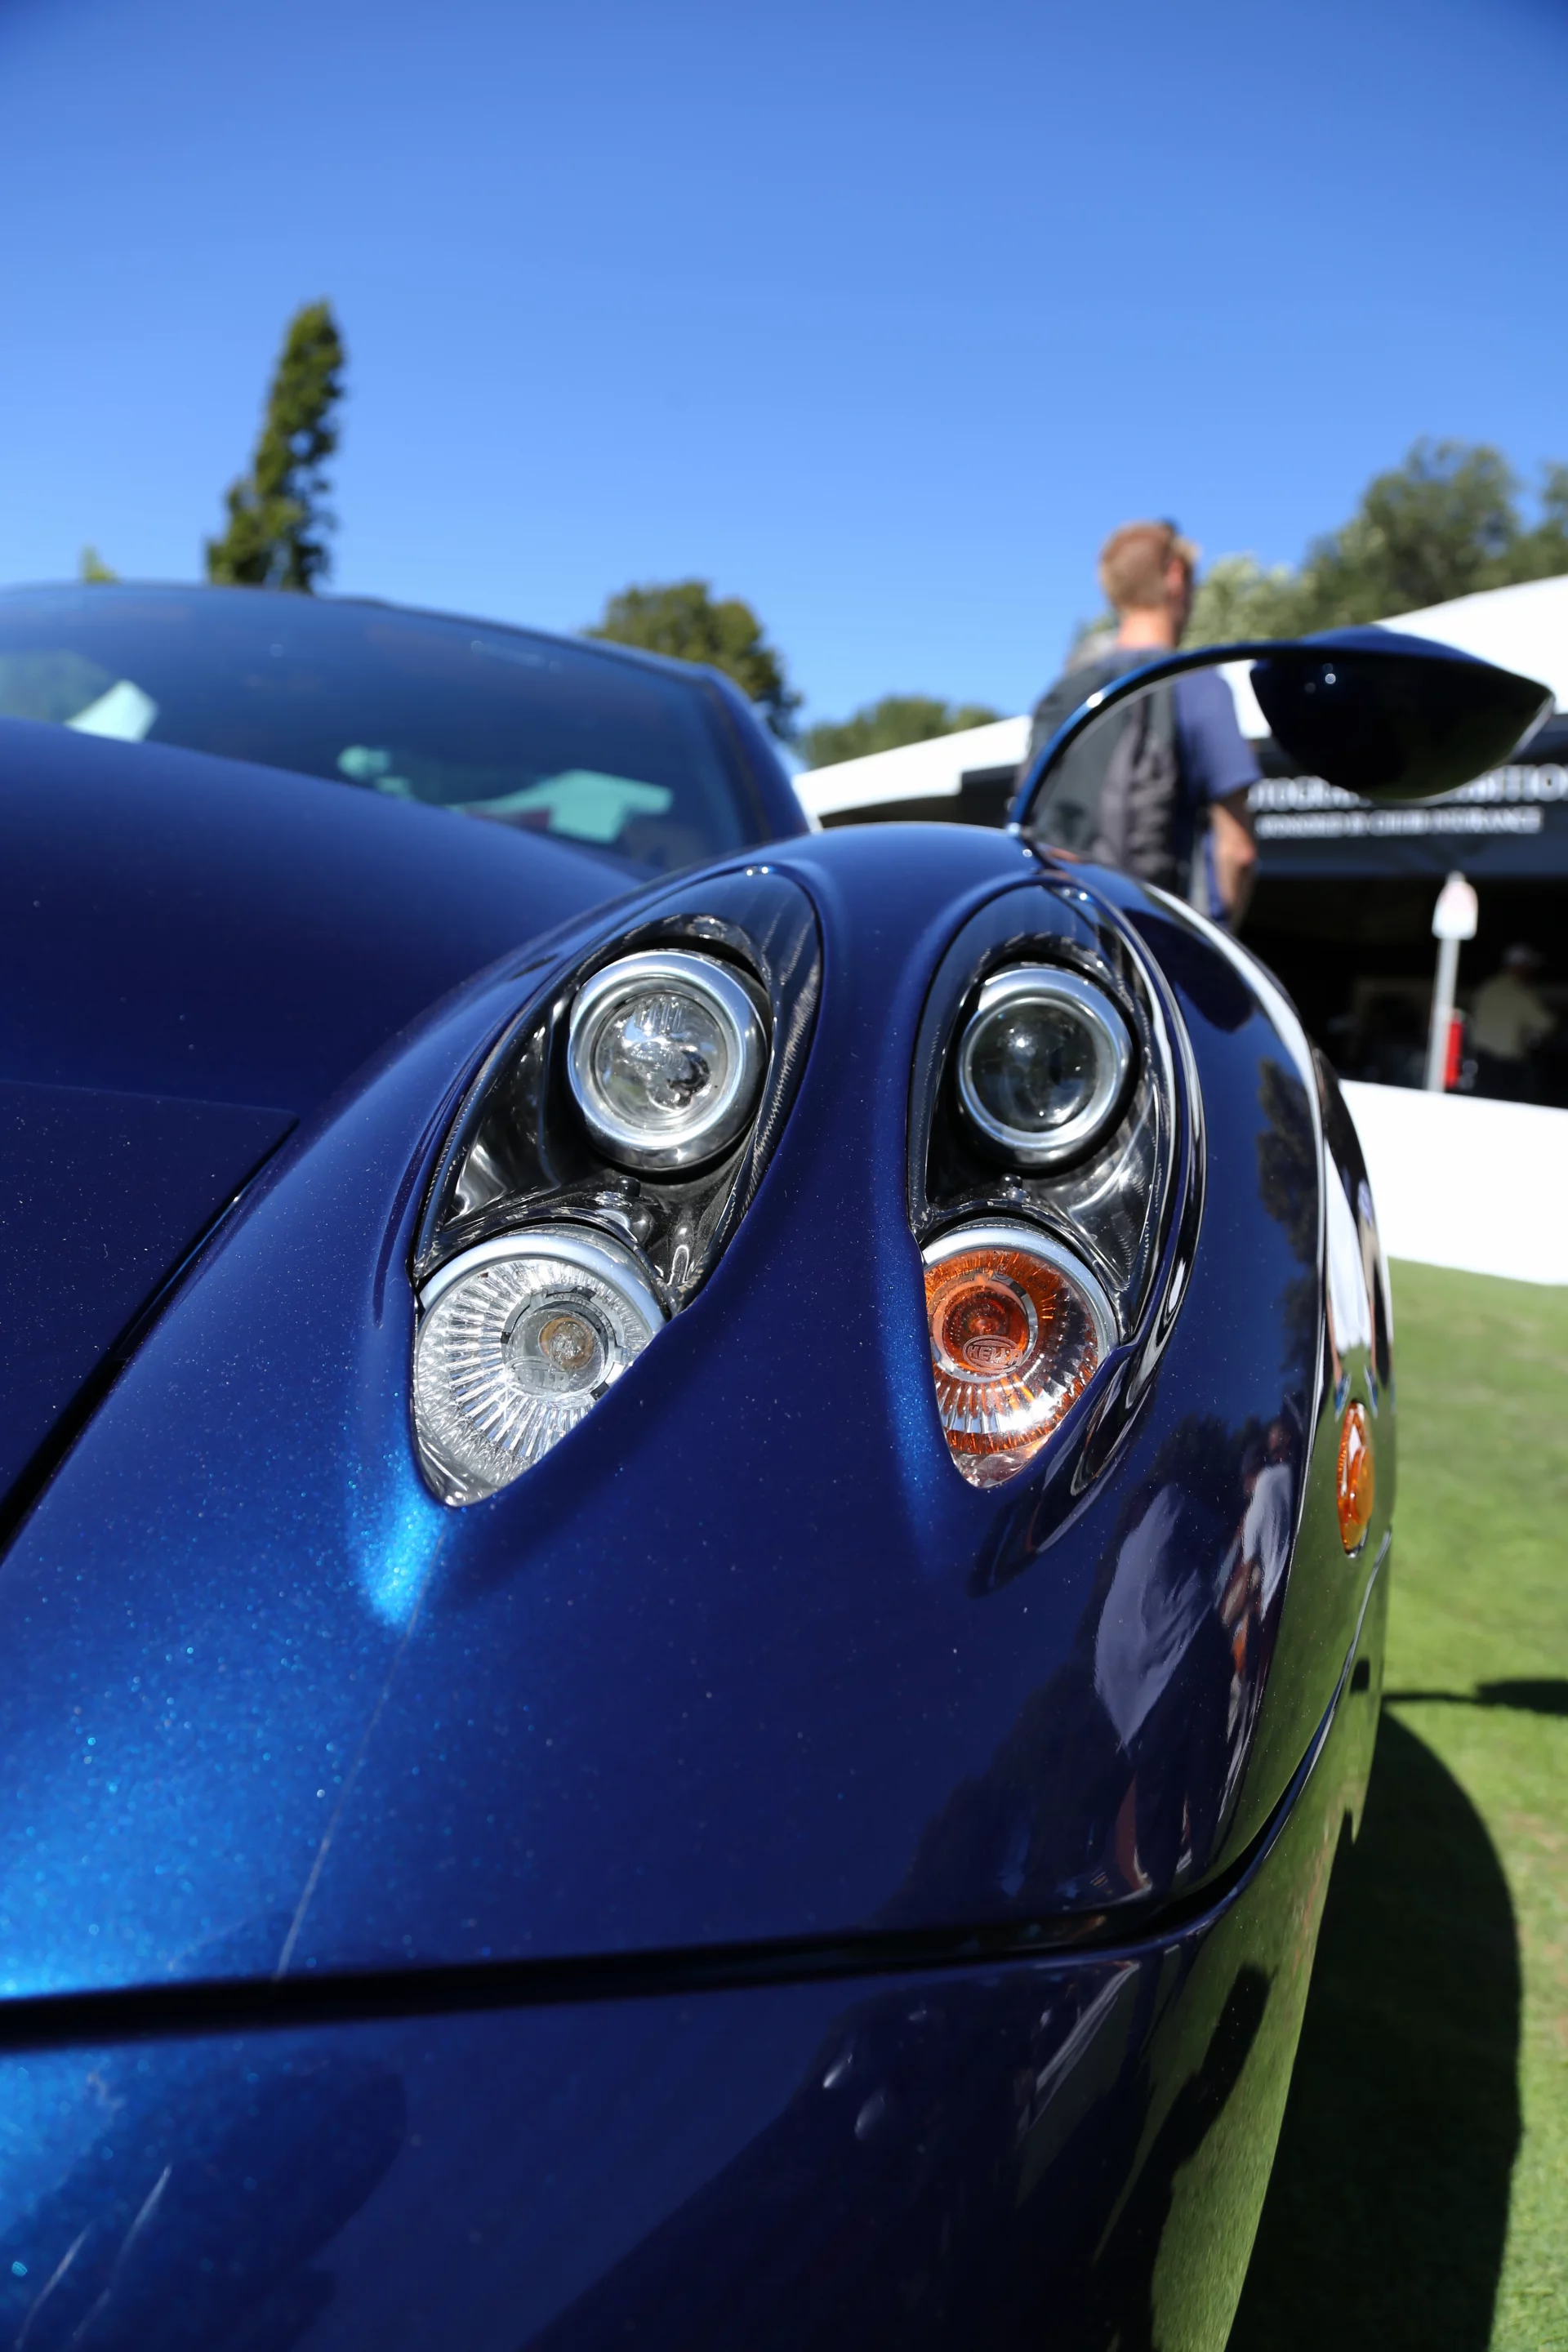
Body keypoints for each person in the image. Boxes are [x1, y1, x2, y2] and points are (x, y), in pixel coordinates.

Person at [1022, 521, 1258, 924]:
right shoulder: (1197, 686)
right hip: (1155, 944)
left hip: (1062, 939)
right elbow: (1238, 852)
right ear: (1175, 577)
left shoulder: (1060, 695)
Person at [1468, 944, 1554, 1101]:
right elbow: (1547, 1024)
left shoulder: (1487, 987)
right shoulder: (1521, 993)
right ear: (1520, 967)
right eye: (1529, 966)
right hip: (1508, 1068)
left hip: (1480, 1062)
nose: (1532, 971)